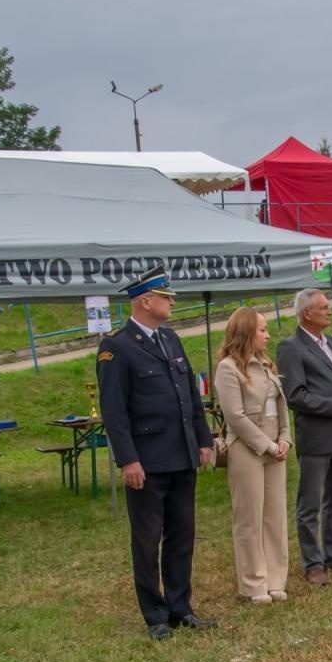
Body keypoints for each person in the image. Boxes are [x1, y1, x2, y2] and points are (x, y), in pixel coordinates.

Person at [99, 267, 218, 640]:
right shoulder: (116, 347)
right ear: (145, 301)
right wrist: (128, 459)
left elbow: (191, 399)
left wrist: (203, 439)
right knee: (148, 539)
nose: (170, 302)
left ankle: (181, 606)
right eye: (165, 297)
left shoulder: (171, 340)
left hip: (181, 454)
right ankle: (156, 615)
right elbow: (114, 412)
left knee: (183, 535)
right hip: (148, 460)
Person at [277, 288, 332, 587]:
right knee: (311, 503)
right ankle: (312, 563)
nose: (330, 311)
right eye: (324, 307)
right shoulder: (290, 348)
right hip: (317, 438)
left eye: (329, 306)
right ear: (307, 313)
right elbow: (295, 395)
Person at [215, 308, 291, 604]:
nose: (267, 334)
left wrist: (284, 438)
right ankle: (253, 584)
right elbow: (235, 415)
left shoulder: (267, 364)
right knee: (249, 518)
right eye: (262, 329)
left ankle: (275, 580)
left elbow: (281, 407)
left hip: (275, 445)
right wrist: (267, 445)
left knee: (274, 515)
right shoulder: (228, 368)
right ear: (247, 332)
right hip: (246, 448)